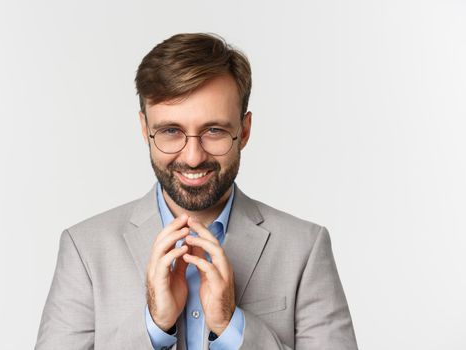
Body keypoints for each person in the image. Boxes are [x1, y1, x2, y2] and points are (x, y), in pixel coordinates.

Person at [35, 32, 358, 350]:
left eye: (214, 130)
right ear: (145, 129)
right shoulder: (85, 248)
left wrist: (233, 327)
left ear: (243, 131)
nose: (193, 157)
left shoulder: (305, 247)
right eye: (171, 131)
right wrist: (153, 327)